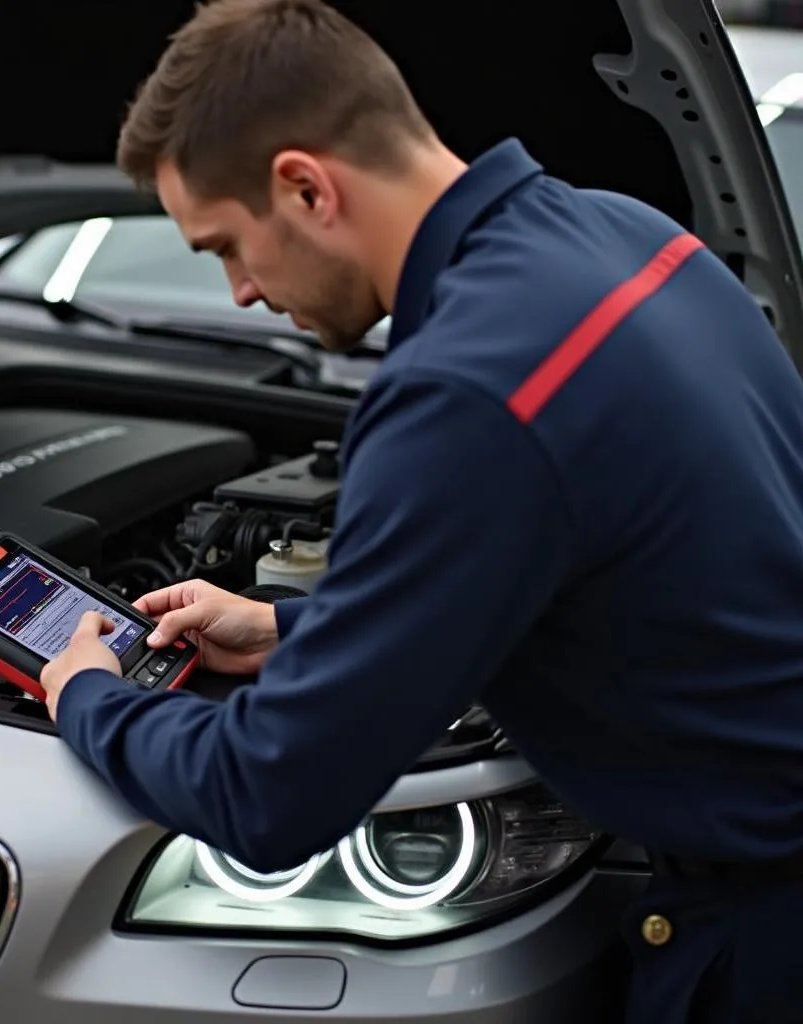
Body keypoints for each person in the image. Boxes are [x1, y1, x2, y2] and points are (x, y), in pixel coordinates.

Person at [41, 1, 803, 1020]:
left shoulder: (464, 391)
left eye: (226, 246)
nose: (240, 294)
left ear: (304, 187)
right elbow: (599, 553)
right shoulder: (629, 234)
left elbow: (269, 794)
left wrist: (89, 694)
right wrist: (291, 625)